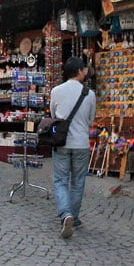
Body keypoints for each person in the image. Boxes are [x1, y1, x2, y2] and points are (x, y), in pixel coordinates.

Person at [48, 56, 96, 239]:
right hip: (81, 144)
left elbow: (54, 115)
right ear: (78, 71)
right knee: (78, 181)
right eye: (84, 69)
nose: (85, 72)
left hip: (62, 142)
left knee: (60, 180)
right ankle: (74, 217)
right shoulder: (89, 94)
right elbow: (91, 120)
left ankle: (65, 213)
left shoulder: (56, 91)